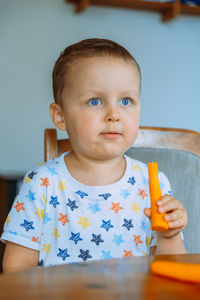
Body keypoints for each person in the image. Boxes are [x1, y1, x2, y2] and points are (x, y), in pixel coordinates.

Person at [1, 38, 188, 273]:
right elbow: (15, 268)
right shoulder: (41, 184)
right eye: (95, 101)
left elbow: (170, 272)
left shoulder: (153, 185)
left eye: (126, 101)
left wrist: (169, 236)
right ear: (60, 116)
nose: (114, 114)